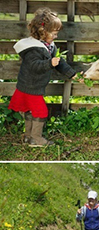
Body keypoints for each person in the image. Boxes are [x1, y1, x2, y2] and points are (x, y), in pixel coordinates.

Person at [8, 7, 81, 147]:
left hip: (35, 87)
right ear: (43, 31)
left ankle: (28, 137)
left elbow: (60, 63)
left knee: (32, 110)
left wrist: (73, 74)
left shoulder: (49, 46)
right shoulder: (31, 49)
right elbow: (34, 65)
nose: (56, 36)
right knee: (41, 112)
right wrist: (49, 63)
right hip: (29, 87)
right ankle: (36, 139)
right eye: (54, 33)